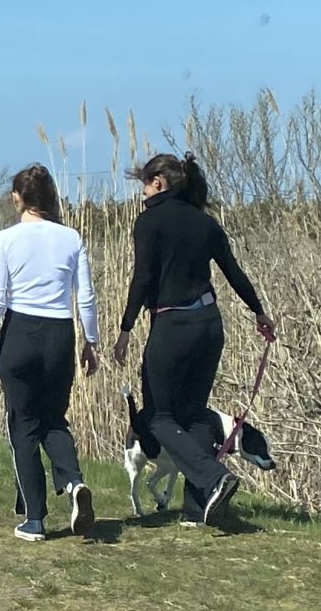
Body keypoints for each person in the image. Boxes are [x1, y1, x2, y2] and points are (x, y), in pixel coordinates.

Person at [110, 152, 274, 528]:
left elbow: (143, 279)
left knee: (159, 417)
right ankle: (199, 509)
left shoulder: (150, 223)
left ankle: (214, 477)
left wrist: (125, 328)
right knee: (196, 414)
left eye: (145, 183)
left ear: (160, 183)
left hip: (173, 325)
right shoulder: (205, 223)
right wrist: (259, 312)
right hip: (209, 325)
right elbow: (234, 272)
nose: (143, 192)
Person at [0, 162, 100, 540]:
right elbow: (87, 298)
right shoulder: (71, 238)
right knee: (53, 419)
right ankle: (74, 483)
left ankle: (35, 519)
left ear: (17, 198)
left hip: (20, 333)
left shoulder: (4, 240)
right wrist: (90, 342)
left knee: (23, 425)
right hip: (60, 334)